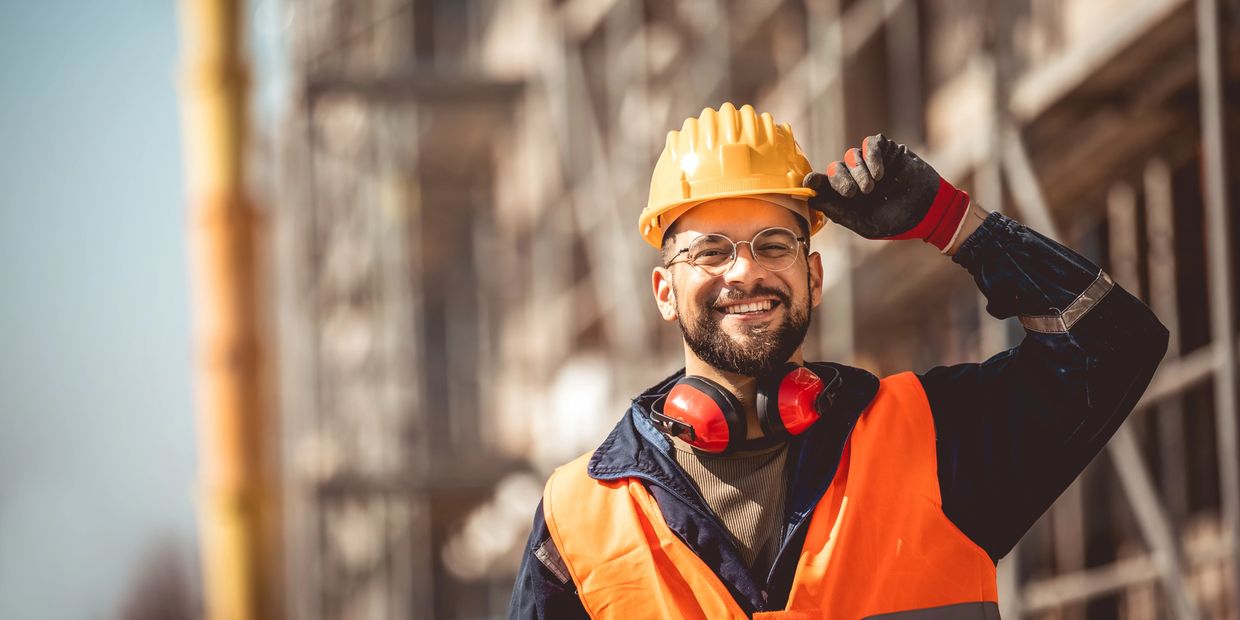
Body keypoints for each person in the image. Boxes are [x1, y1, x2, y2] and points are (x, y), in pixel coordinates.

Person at [508, 103, 1168, 618]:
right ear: (664, 292)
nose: (746, 272)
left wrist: (949, 219)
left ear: (814, 277)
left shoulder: (929, 443)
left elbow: (1112, 346)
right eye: (710, 251)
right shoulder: (579, 520)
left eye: (774, 245)